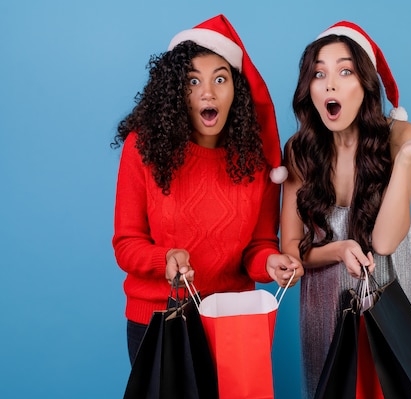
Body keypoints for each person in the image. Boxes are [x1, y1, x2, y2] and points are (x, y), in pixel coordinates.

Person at [280, 21, 411, 399]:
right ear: (308, 88)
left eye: (344, 71)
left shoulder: (400, 136)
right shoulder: (298, 151)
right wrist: (337, 250)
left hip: (390, 296)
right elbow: (292, 252)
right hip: (325, 305)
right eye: (319, 73)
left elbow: (383, 243)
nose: (330, 84)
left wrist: (405, 160)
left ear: (365, 83)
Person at [112, 14, 302, 364]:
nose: (208, 92)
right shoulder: (144, 148)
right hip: (158, 319)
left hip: (233, 320)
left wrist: (272, 263)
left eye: (220, 79)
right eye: (192, 81)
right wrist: (165, 258)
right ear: (174, 92)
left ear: (237, 91)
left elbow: (258, 247)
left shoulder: (255, 161)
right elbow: (126, 244)